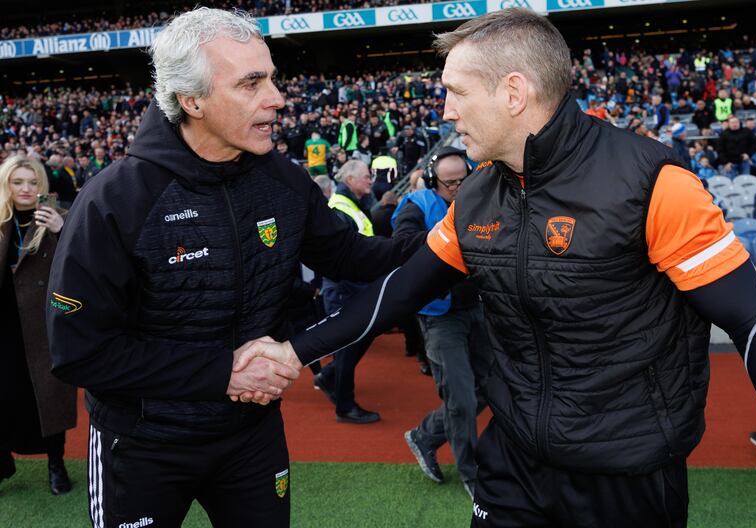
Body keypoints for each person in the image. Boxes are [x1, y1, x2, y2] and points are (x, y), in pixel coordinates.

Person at [240, 9, 756, 527]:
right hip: (512, 459)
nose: (446, 112)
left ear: (514, 92)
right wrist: (293, 352)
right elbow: (400, 292)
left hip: (625, 471)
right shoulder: (477, 197)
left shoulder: (654, 183)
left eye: (456, 92)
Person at [45, 9, 422, 528]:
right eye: (251, 83)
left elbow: (351, 257)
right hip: (140, 445)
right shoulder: (115, 200)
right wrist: (224, 372)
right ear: (192, 100)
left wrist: (448, 240)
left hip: (252, 434)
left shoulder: (283, 179)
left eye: (271, 77)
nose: (277, 98)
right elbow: (78, 352)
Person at [392, 147, 490, 499]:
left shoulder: (479, 195)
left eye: (463, 180)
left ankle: (426, 435)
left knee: (488, 387)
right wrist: (447, 235)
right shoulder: (417, 205)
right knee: (461, 399)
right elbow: (402, 244)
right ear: (434, 182)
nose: (459, 189)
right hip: (439, 316)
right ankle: (471, 473)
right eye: (451, 184)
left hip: (477, 308)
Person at [0, 155, 75, 495]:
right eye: (18, 182)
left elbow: (85, 261)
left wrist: (63, 231)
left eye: (33, 182)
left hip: (44, 326)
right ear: (7, 185)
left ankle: (55, 463)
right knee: (5, 395)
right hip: (4, 327)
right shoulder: (0, 222)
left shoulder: (60, 219)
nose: (26, 189)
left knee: (48, 396)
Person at [313, 160, 382, 424]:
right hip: (348, 289)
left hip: (352, 287)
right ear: (350, 179)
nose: (370, 180)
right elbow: (344, 258)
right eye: (366, 176)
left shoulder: (350, 204)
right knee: (348, 348)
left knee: (354, 344)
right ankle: (345, 407)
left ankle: (329, 376)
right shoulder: (341, 208)